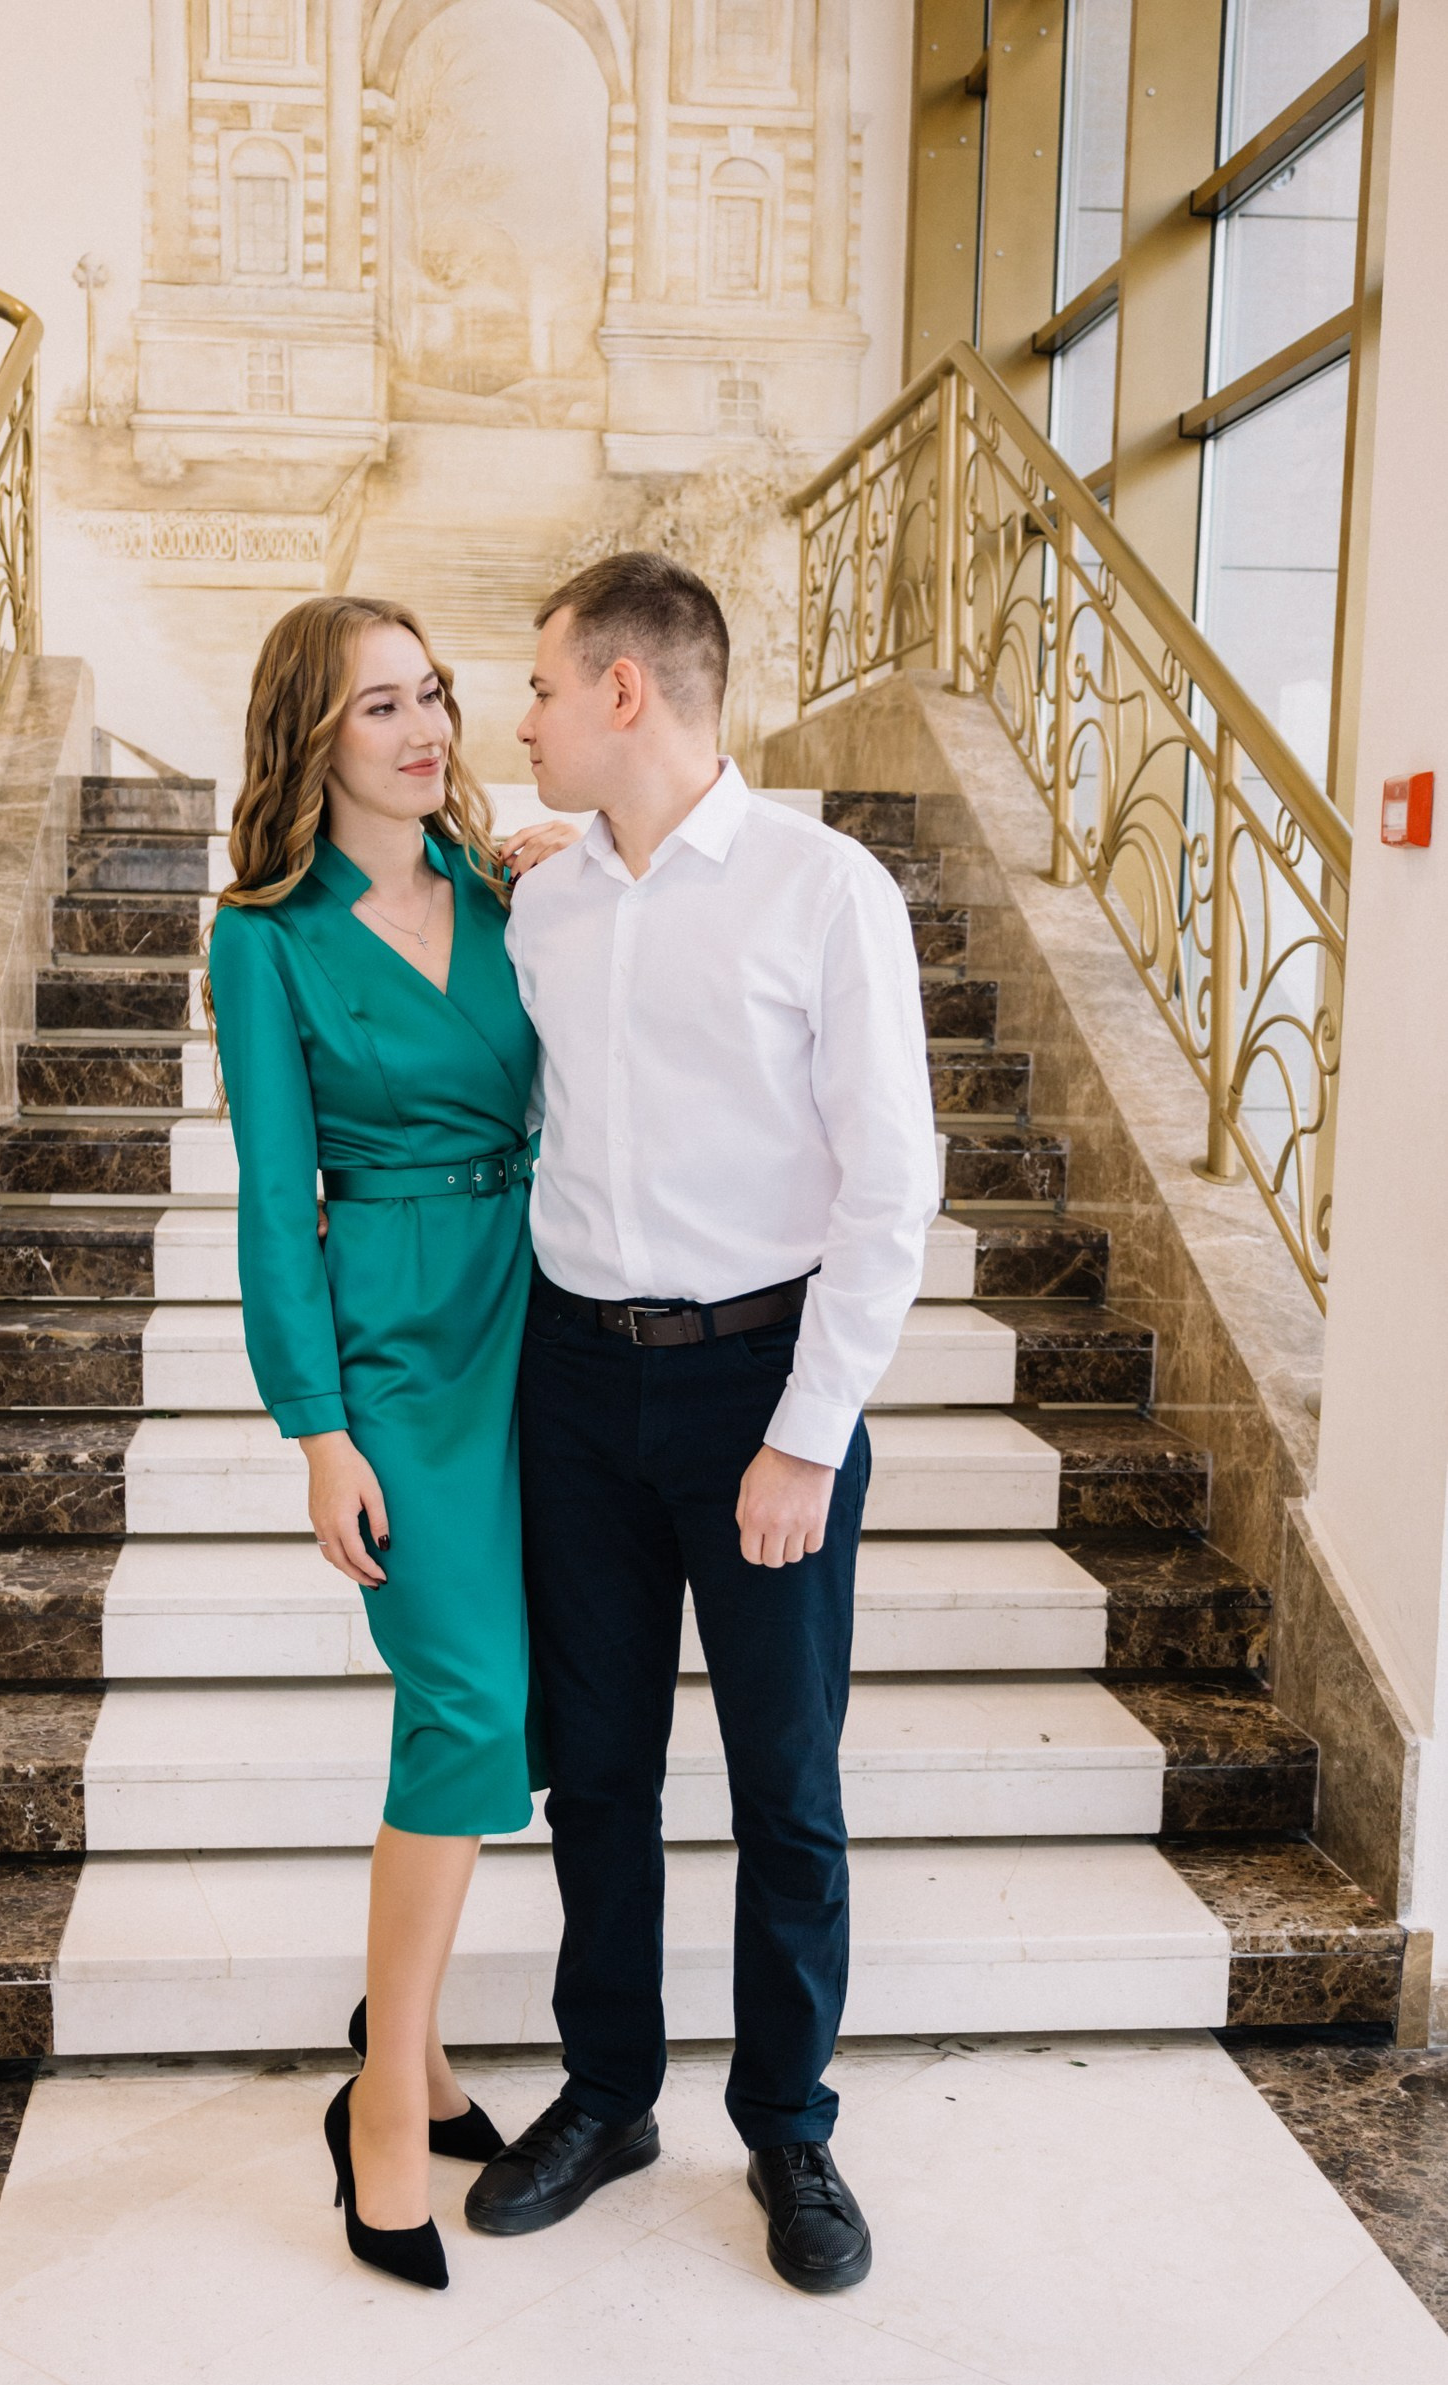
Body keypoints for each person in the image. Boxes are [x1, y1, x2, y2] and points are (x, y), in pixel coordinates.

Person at [465, 551, 942, 2294]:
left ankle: (790, 2126)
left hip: (763, 1381)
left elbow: (892, 1184)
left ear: (624, 691)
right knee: (595, 1770)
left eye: (539, 687)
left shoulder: (826, 890)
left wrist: (809, 1433)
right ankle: (609, 2098)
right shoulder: (544, 902)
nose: (519, 720)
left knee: (785, 1786)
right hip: (577, 1383)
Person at [205, 596, 569, 2292]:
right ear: (311, 736)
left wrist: (588, 866)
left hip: (543, 1307)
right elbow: (274, 1204)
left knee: (528, 1708)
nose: (426, 731)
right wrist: (316, 1431)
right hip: (398, 1344)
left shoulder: (508, 885)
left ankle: (405, 2048)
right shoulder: (264, 938)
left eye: (433, 697)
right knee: (466, 1699)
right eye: (381, 707)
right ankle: (381, 2109)